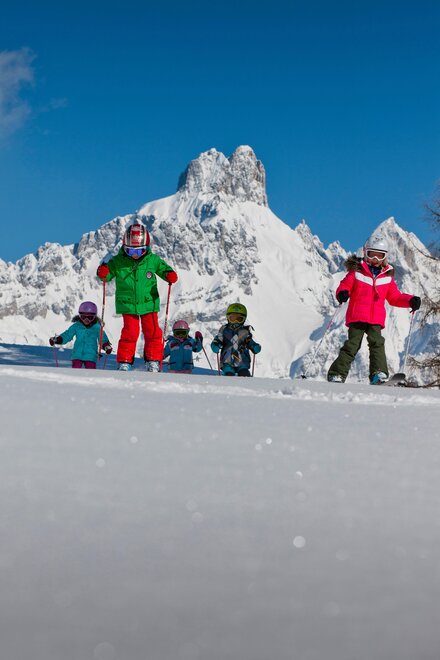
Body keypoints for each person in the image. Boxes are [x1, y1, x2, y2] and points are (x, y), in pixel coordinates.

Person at [327, 234, 421, 384]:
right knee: (352, 345)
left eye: (380, 256)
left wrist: (409, 300)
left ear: (385, 257)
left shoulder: (387, 277)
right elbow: (344, 285)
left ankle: (379, 374)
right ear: (365, 253)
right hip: (357, 316)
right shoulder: (357, 272)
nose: (375, 259)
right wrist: (342, 293)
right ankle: (337, 374)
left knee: (377, 344)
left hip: (375, 319)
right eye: (372, 255)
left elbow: (395, 297)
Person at [96, 222, 178, 371]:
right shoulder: (118, 261)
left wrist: (168, 274)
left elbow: (163, 269)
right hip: (128, 303)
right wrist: (103, 272)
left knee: (153, 332)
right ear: (124, 247)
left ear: (146, 248)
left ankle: (153, 360)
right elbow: (107, 275)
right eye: (130, 250)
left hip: (148, 302)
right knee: (130, 332)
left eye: (140, 251)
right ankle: (125, 361)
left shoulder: (152, 260)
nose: (135, 254)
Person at [49, 301, 112, 369]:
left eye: (90, 317)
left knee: (90, 372)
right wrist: (58, 340)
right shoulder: (77, 326)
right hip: (77, 355)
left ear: (94, 317)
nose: (86, 320)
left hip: (91, 356)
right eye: (83, 317)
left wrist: (106, 346)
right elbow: (67, 335)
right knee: (76, 371)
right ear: (79, 316)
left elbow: (102, 339)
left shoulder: (97, 327)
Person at [211, 303, 261, 376]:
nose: (235, 322)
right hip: (227, 361)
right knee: (229, 375)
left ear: (243, 320)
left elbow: (250, 342)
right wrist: (215, 345)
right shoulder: (224, 331)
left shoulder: (245, 332)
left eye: (239, 319)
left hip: (242, 362)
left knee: (244, 374)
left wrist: (254, 346)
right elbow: (218, 340)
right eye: (233, 318)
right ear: (228, 318)